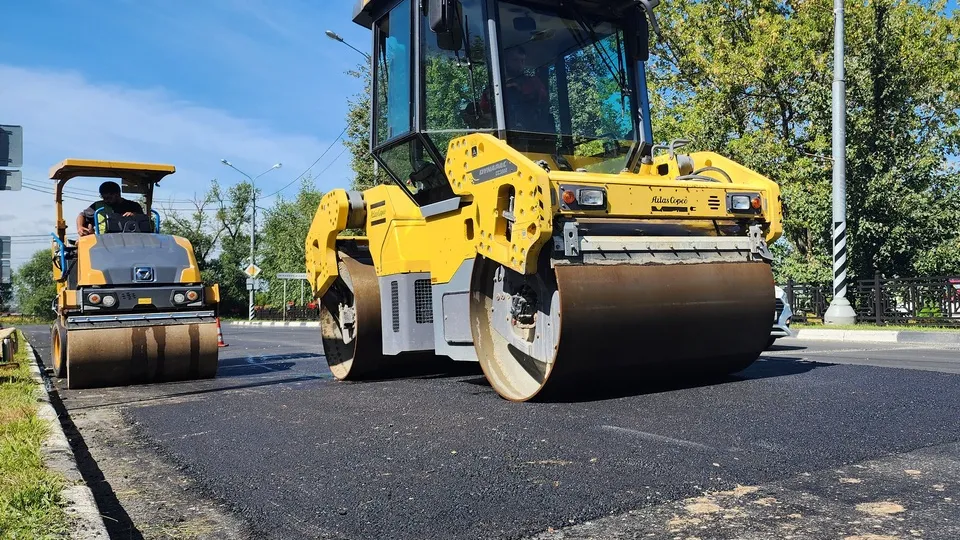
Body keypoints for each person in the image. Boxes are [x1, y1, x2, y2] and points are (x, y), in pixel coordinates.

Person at [76, 181, 144, 236]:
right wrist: (80, 227)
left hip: (130, 239)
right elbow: (82, 215)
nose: (106, 200)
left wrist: (134, 215)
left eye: (108, 198)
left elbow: (144, 220)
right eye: (103, 198)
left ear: (118, 194)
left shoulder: (133, 206)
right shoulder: (98, 205)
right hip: (102, 240)